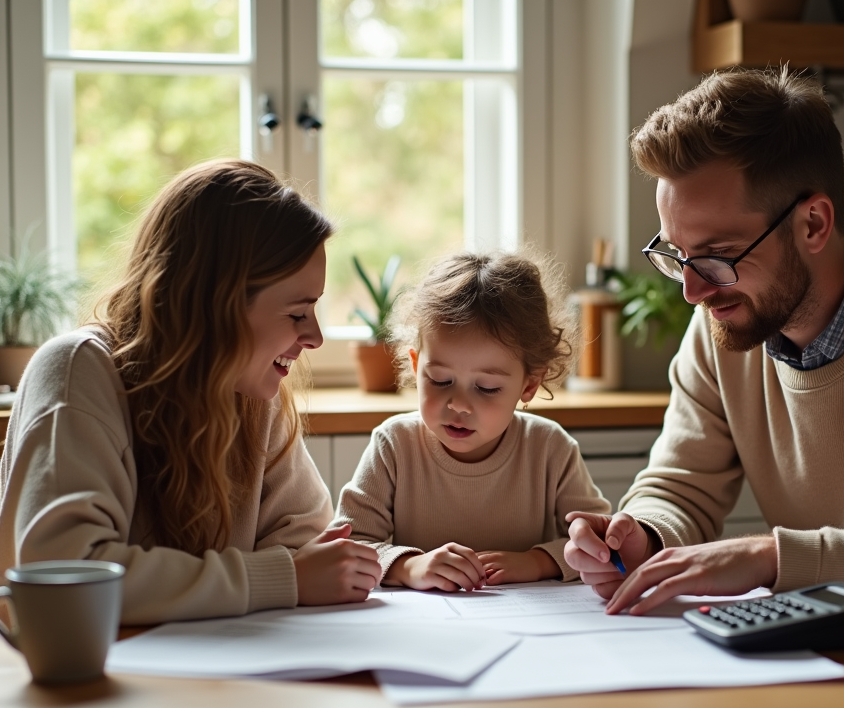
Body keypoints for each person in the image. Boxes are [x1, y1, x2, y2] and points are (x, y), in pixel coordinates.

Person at [565, 66, 844, 615]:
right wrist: (641, 536)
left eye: (717, 256)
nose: (691, 290)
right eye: (677, 255)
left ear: (812, 223)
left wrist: (771, 558)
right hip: (827, 653)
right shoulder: (726, 322)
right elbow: (681, 485)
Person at [0, 159, 382, 625]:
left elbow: (309, 547)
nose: (316, 338)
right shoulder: (78, 370)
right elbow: (68, 573)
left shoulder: (254, 393)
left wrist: (306, 572)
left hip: (220, 673)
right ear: (215, 303)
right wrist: (281, 580)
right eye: (298, 313)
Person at [334, 249, 611, 591]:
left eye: (487, 387)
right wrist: (409, 566)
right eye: (439, 380)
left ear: (529, 384)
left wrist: (537, 562)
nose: (459, 405)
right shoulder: (394, 444)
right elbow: (349, 545)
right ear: (416, 364)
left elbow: (598, 540)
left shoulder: (550, 448)